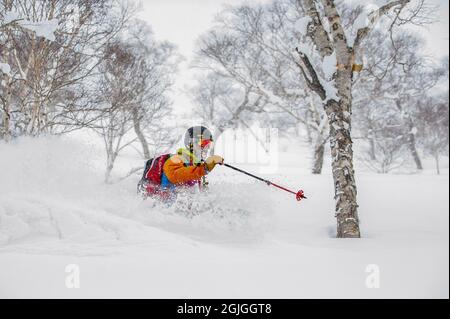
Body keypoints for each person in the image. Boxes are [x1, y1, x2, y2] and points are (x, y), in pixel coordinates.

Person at [138, 126, 224, 202]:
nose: (206, 148)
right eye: (204, 143)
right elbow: (175, 175)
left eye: (209, 145)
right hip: (161, 210)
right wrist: (205, 168)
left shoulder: (196, 166)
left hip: (182, 214)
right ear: (191, 143)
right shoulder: (176, 159)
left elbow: (201, 196)